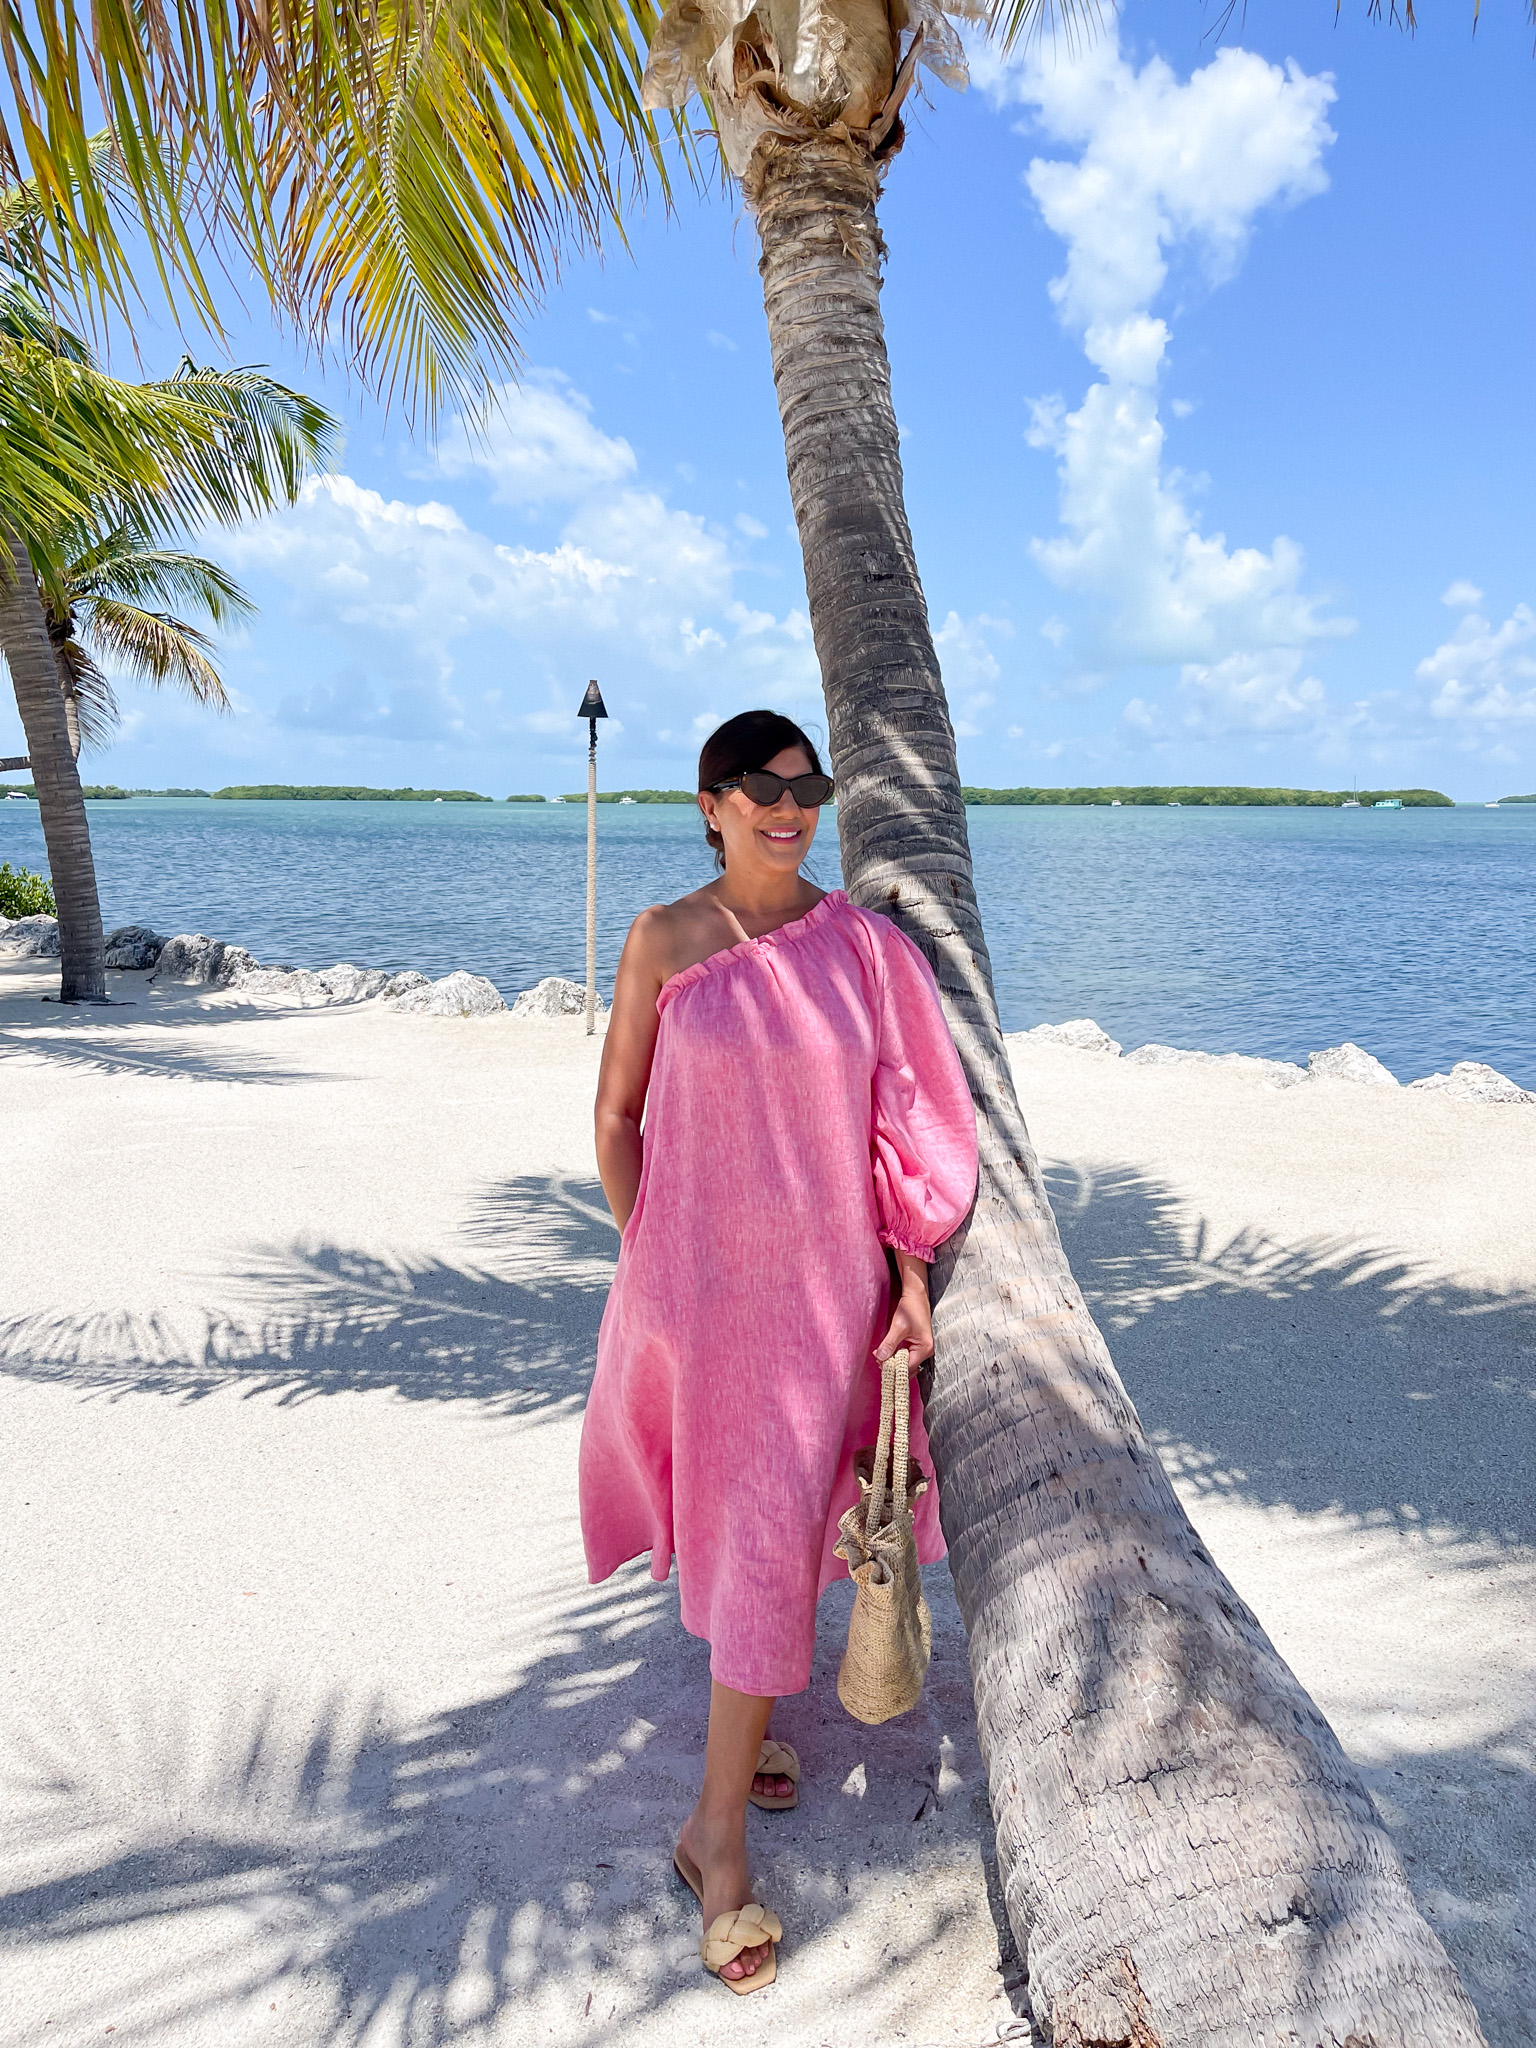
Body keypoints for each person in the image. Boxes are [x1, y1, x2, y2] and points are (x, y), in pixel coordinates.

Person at [580, 708, 978, 1994]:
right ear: (709, 801)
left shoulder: (863, 948)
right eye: (758, 786)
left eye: (807, 788)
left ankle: (738, 1755)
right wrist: (654, 1248)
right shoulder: (664, 938)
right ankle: (717, 1840)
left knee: (792, 1520)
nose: (787, 806)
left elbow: (903, 1111)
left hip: (826, 1299)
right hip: (703, 1300)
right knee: (748, 1525)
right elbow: (618, 1113)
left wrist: (911, 1275)